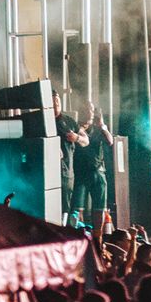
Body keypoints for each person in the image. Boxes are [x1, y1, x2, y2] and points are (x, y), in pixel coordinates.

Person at [71, 102, 113, 228]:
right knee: (77, 208)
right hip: (81, 172)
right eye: (86, 109)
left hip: (98, 172)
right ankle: (79, 234)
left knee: (100, 208)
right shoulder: (75, 127)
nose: (89, 112)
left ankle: (98, 236)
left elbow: (110, 141)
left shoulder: (98, 128)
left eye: (91, 109)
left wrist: (102, 126)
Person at [53, 93, 87, 223]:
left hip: (66, 173)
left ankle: (62, 228)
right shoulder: (40, 121)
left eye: (58, 100)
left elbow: (86, 140)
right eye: (53, 101)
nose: (56, 104)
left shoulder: (69, 121)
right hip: (47, 172)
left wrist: (77, 138)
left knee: (64, 207)